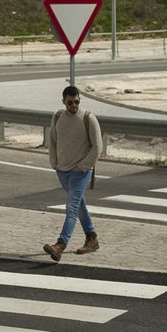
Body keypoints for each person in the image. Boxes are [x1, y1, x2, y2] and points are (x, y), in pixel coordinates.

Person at [44, 85, 102, 261]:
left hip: (80, 173)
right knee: (79, 205)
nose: (74, 105)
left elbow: (97, 147)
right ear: (63, 101)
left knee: (72, 208)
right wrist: (54, 162)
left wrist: (83, 166)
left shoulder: (88, 118)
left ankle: (60, 245)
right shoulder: (58, 117)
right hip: (62, 171)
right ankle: (92, 238)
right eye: (70, 102)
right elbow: (53, 141)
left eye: (77, 101)